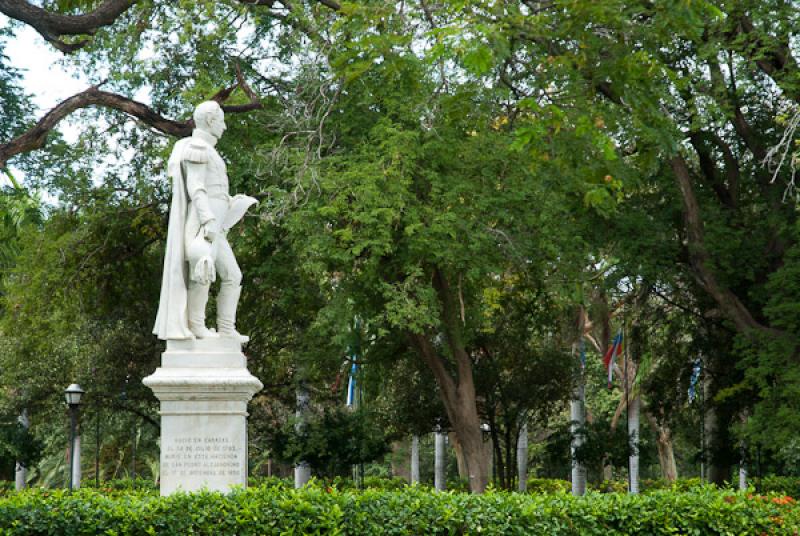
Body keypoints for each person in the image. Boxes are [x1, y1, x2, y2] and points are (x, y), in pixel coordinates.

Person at [153, 101, 254, 343]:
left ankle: (226, 329)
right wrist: (208, 219)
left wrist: (232, 203)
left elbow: (213, 190)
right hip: (201, 224)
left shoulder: (210, 150)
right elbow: (196, 188)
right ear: (210, 121)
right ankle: (196, 325)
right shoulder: (197, 147)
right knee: (203, 272)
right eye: (221, 120)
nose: (225, 127)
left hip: (216, 225)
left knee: (233, 276)